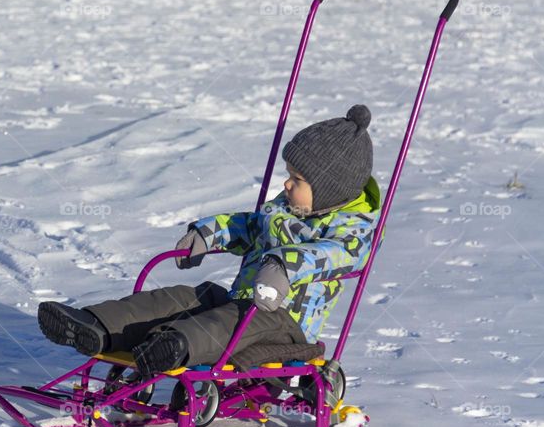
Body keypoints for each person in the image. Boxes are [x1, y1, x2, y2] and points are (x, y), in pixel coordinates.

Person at [38, 104, 382, 377]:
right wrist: (206, 235)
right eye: (288, 174)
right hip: (239, 302)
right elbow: (247, 226)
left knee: (227, 322)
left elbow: (335, 255)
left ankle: (172, 345)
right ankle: (98, 325)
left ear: (329, 191)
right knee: (186, 297)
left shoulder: (353, 232)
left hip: (284, 323)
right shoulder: (284, 209)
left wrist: (283, 266)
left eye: (298, 179)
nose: (286, 184)